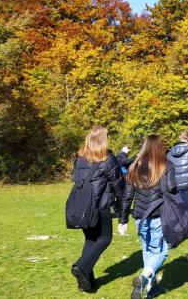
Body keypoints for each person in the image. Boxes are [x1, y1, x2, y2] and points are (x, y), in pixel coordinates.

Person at [118, 135, 177, 299]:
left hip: (139, 216)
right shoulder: (166, 165)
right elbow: (171, 189)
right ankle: (144, 278)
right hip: (158, 215)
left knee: (148, 250)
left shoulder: (134, 165)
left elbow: (127, 195)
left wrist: (123, 219)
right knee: (162, 252)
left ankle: (152, 287)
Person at [70, 126, 124, 293]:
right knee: (105, 238)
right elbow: (118, 185)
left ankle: (86, 283)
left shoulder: (79, 158)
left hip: (82, 206)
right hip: (100, 206)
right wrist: (124, 206)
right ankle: (81, 266)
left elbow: (76, 179)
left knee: (91, 240)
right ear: (103, 140)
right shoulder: (108, 158)